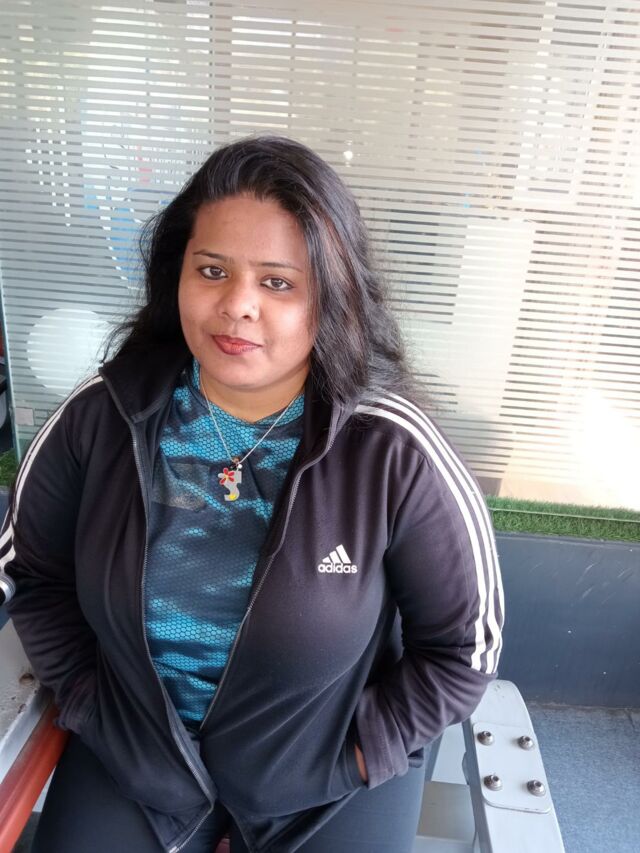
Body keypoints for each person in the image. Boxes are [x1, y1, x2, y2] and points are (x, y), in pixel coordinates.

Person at [2, 136, 504, 853]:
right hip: (139, 758)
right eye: (212, 271)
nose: (237, 305)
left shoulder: (394, 449)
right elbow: (33, 577)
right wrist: (87, 699)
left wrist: (364, 752)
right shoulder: (102, 416)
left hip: (323, 777)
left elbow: (463, 648)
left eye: (278, 283)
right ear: (177, 273)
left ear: (331, 296)